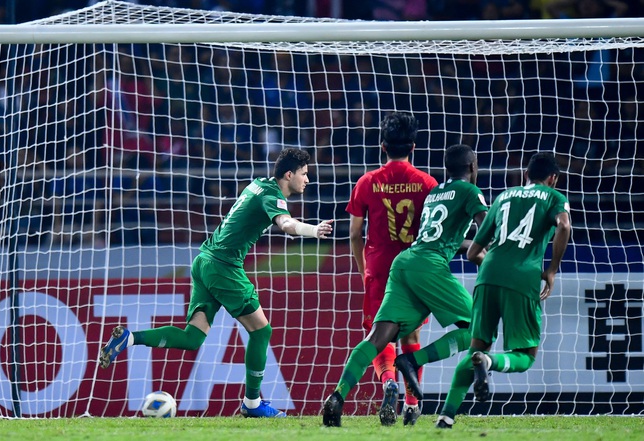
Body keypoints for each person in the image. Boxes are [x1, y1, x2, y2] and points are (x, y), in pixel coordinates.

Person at [99, 148, 333, 418]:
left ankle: (130, 338)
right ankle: (253, 404)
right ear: (289, 174)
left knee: (192, 337)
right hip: (223, 266)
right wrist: (313, 230)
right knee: (261, 331)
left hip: (203, 261)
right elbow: (285, 223)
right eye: (304, 174)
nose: (308, 180)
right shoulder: (273, 195)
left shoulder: (258, 183)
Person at [323, 144, 488, 427]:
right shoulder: (468, 192)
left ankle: (337, 396)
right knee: (478, 330)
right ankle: (412, 365)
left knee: (378, 336)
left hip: (403, 263)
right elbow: (487, 230)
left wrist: (474, 249)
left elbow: (446, 239)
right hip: (429, 265)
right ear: (473, 168)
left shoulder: (438, 193)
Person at [435, 152, 571, 429]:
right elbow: (565, 226)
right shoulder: (554, 197)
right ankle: (489, 361)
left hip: (487, 275)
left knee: (475, 350)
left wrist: (495, 268)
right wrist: (552, 270)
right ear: (553, 178)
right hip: (522, 278)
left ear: (525, 175)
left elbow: (473, 252)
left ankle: (445, 417)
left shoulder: (503, 196)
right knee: (525, 356)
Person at [345, 112, 438, 426]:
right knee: (410, 333)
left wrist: (363, 269)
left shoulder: (367, 182)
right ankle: (412, 404)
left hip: (380, 268)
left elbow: (355, 233)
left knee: (378, 334)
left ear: (382, 146)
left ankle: (388, 383)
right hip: (413, 269)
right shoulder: (428, 183)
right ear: (413, 146)